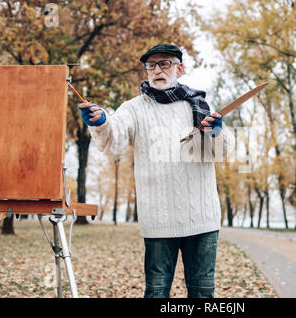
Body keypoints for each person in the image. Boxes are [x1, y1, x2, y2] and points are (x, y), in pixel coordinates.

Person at [78, 44, 233, 298]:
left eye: (165, 63)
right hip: (159, 221)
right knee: (156, 293)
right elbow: (113, 140)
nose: (157, 70)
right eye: (151, 65)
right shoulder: (133, 108)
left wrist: (216, 133)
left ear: (179, 69)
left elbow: (223, 153)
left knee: (203, 295)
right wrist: (101, 122)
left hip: (203, 218)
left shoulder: (200, 104)